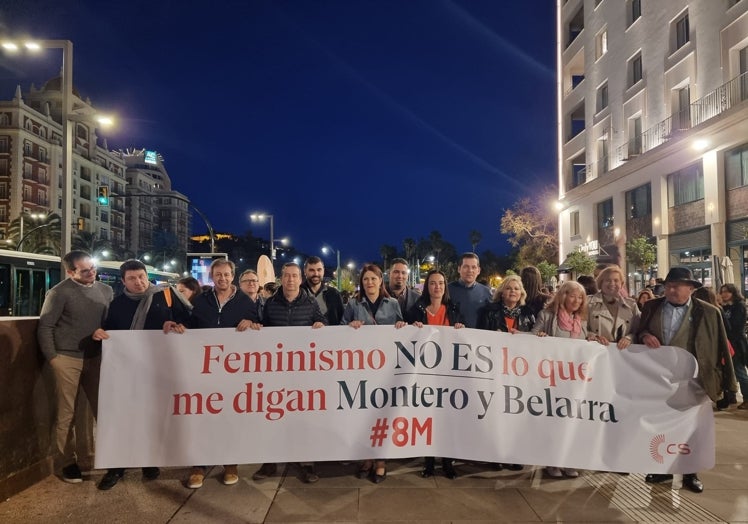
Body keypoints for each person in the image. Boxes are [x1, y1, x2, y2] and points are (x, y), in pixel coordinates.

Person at [91, 260, 191, 490]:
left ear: (147, 276)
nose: (139, 282)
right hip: (125, 373)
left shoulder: (166, 297)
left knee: (150, 418)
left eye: (142, 276)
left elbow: (189, 321)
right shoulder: (117, 305)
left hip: (156, 370)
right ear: (123, 281)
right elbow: (109, 333)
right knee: (122, 418)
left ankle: (149, 462)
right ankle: (116, 467)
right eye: (132, 278)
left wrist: (177, 325)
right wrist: (99, 334)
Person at [636, 267, 737, 493]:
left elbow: (721, 344)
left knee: (692, 428)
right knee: (662, 426)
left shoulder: (710, 312)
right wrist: (645, 335)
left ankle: (691, 472)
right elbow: (639, 331)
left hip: (697, 380)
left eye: (677, 286)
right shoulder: (652, 307)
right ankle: (662, 467)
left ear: (690, 289)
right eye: (668, 286)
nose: (671, 290)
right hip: (661, 380)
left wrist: (729, 384)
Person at [37, 250, 113, 484]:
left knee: (105, 410)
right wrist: (53, 358)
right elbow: (45, 326)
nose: (92, 273)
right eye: (85, 270)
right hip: (66, 358)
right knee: (66, 413)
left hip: (96, 358)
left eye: (93, 268)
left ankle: (109, 457)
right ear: (70, 272)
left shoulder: (106, 290)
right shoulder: (59, 293)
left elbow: (110, 322)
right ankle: (67, 462)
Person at [250, 262, 326, 484]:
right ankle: (270, 462)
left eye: (294, 276)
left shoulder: (311, 303)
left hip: (303, 373)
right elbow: (263, 327)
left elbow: (322, 321)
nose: (291, 280)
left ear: (300, 279)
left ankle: (306, 463)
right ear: (281, 279)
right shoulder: (271, 304)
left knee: (303, 417)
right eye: (287, 276)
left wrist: (321, 324)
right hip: (276, 373)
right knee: (273, 417)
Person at [186, 258, 258, 489]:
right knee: (201, 416)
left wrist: (252, 323)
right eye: (218, 275)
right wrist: (176, 327)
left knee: (229, 417)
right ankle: (199, 465)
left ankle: (230, 463)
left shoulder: (245, 301)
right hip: (203, 369)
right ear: (211, 276)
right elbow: (189, 325)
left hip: (233, 370)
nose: (222, 278)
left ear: (232, 276)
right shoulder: (201, 300)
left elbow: (260, 328)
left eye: (226, 274)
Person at [344, 263, 405, 483]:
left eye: (374, 279)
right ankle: (367, 458)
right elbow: (340, 331)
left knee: (382, 414)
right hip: (361, 367)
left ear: (381, 280)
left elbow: (402, 329)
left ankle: (381, 460)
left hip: (386, 368)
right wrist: (350, 325)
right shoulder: (353, 304)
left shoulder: (393, 303)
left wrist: (401, 325)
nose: (370, 283)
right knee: (363, 414)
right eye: (366, 279)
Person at [532, 280, 598, 479]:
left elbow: (585, 344)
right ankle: (552, 462)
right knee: (555, 422)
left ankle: (570, 461)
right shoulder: (547, 316)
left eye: (580, 298)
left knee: (573, 422)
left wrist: (593, 339)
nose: (577, 301)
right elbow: (532, 337)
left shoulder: (582, 321)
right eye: (573, 296)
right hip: (553, 379)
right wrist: (540, 337)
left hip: (575, 382)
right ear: (563, 296)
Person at [407, 270, 464, 479]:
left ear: (445, 286)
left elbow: (464, 336)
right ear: (427, 286)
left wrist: (460, 328)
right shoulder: (416, 310)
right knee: (427, 417)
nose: (437, 287)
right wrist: (414, 328)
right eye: (432, 283)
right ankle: (429, 462)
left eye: (440, 283)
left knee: (447, 418)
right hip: (424, 372)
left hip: (448, 372)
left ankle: (448, 462)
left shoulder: (455, 310)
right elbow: (406, 335)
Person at [475, 273, 534, 471]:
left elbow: (536, 338)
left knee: (516, 413)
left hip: (519, 371)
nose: (513, 292)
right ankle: (495, 454)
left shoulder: (529, 314)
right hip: (495, 368)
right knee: (497, 412)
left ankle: (515, 453)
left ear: (522, 293)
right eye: (509, 288)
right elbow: (480, 337)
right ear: (501, 292)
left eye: (517, 289)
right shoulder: (488, 312)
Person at [587, 265, 640, 349]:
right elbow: (580, 328)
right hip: (596, 353)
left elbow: (638, 331)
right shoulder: (588, 303)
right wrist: (592, 336)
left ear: (621, 284)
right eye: (608, 280)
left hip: (623, 354)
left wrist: (629, 338)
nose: (612, 284)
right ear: (601, 283)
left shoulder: (631, 305)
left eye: (616, 280)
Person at [719, 284, 748, 409]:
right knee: (729, 371)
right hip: (727, 343)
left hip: (736, 343)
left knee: (739, 371)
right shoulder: (724, 307)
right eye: (723, 292)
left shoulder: (739, 306)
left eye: (727, 292)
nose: (724, 294)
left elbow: (736, 327)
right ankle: (731, 396)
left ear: (733, 293)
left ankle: (747, 399)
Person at [447, 253, 492, 328]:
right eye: (466, 267)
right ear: (459, 269)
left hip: (478, 338)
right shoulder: (447, 290)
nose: (470, 270)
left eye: (474, 267)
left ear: (478, 270)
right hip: (453, 336)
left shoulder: (486, 293)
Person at [301, 256, 344, 326]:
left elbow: (342, 320)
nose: (316, 274)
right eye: (311, 270)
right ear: (305, 271)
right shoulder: (298, 292)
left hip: (330, 336)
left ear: (323, 271)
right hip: (304, 336)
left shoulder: (334, 294)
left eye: (319, 270)